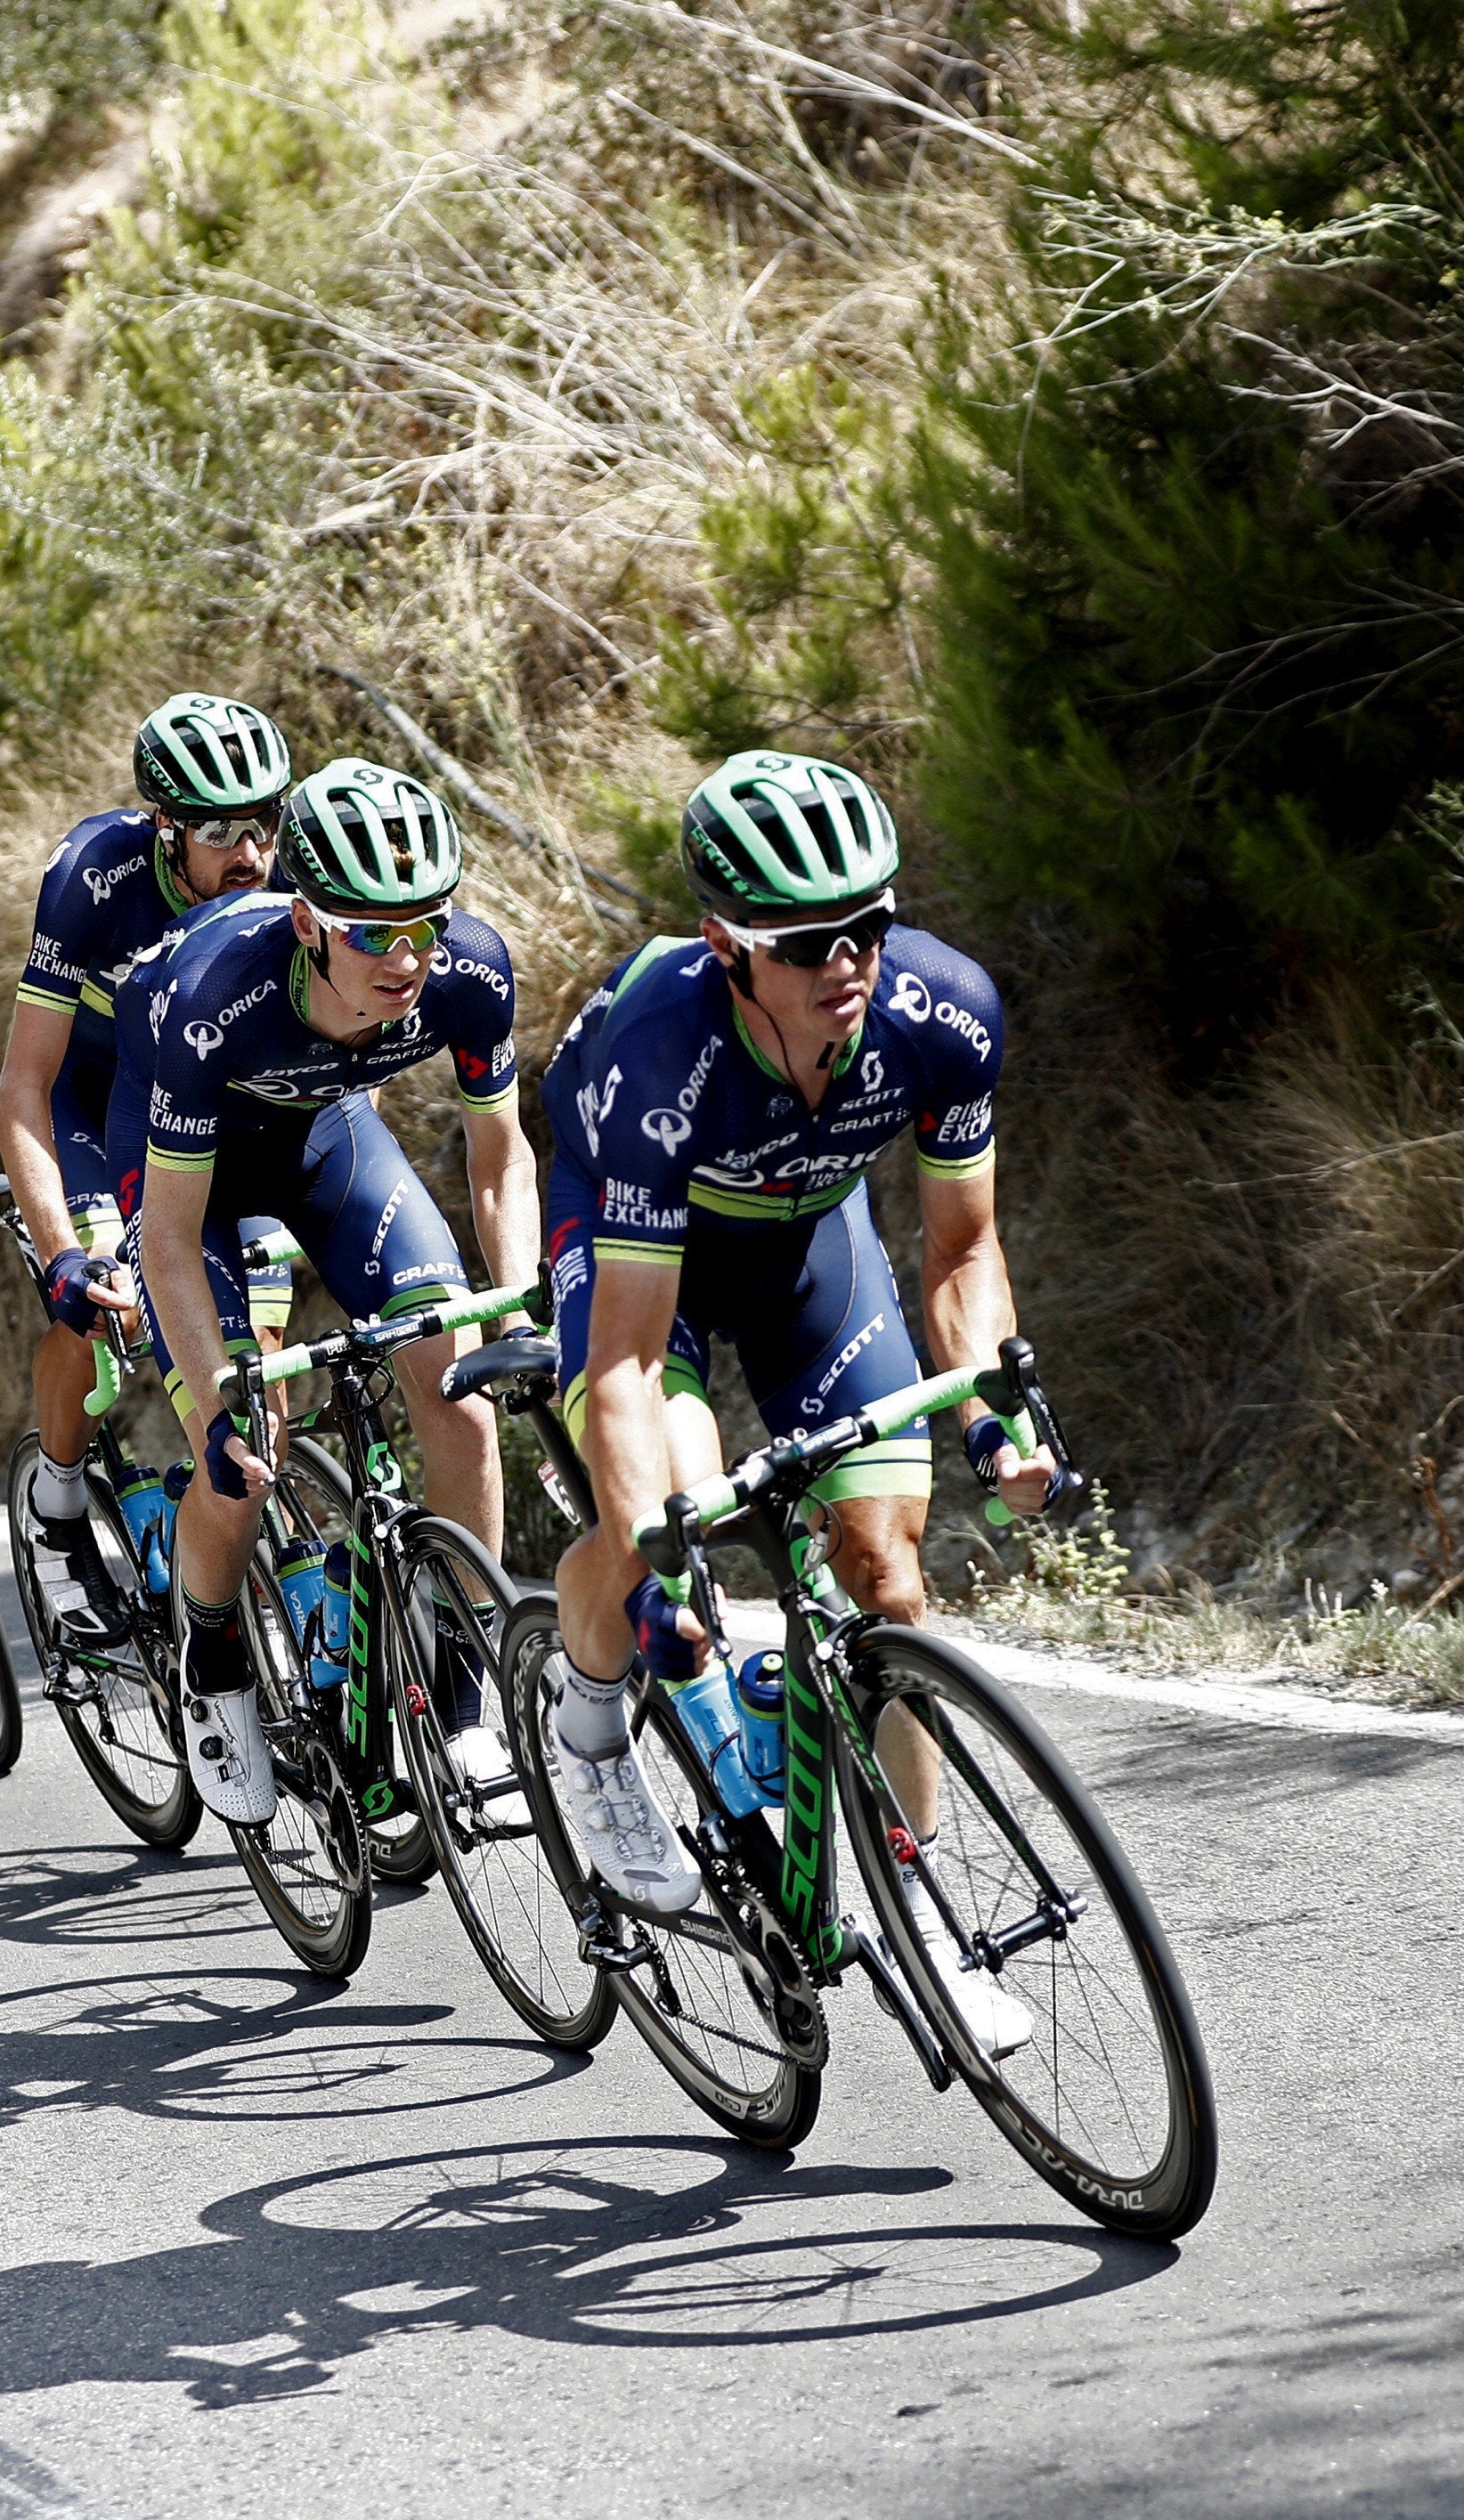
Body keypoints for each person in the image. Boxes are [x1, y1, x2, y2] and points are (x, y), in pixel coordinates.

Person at [533, 751, 1059, 2052]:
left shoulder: (944, 1012)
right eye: (812, 938)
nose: (851, 959)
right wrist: (654, 1537)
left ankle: (924, 1916)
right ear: (728, 945)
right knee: (664, 1529)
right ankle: (594, 1735)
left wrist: (993, 1407)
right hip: (645, 1269)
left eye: (870, 925)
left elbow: (961, 1251)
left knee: (886, 1580)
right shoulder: (659, 1052)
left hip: (815, 1249)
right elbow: (630, 1366)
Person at [110, 757, 536, 1828]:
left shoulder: (469, 972)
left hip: (328, 1144)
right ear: (306, 923)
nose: (409, 958)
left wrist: (522, 1301)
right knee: (243, 1454)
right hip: (187, 1182)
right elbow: (165, 1235)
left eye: (425, 924)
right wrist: (211, 1404)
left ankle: (460, 1699)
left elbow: (502, 1159)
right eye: (372, 933)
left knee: (463, 1405)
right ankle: (210, 1660)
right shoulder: (214, 999)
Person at [0, 695, 293, 1638]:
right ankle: (58, 1496)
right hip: (93, 1105)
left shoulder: (295, 890)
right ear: (165, 828)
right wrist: (59, 1255)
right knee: (100, 1304)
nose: (248, 855)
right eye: (217, 831)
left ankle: (225, 1547)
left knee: (266, 1348)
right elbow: (22, 1088)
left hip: (214, 1117)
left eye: (264, 825)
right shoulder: (94, 875)